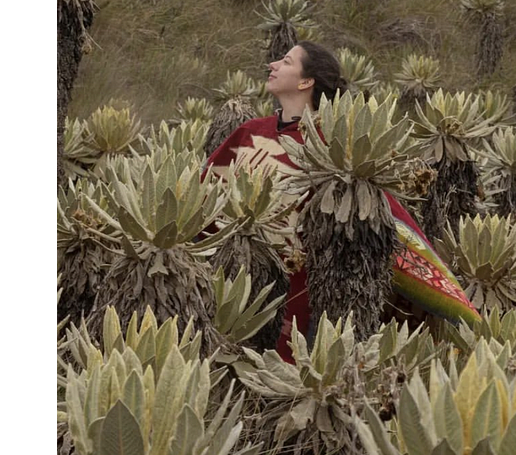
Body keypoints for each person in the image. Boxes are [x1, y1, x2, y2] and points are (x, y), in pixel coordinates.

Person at [202, 41, 480, 362]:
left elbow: (382, 215)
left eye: (286, 62)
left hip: (294, 289)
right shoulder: (250, 132)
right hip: (229, 273)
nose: (273, 65)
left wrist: (457, 305)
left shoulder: (332, 145)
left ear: (306, 82)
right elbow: (206, 196)